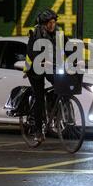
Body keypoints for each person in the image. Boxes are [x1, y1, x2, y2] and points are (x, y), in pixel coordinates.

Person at [23, 9, 69, 142]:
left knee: (60, 85)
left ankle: (52, 109)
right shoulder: (35, 33)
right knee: (39, 96)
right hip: (34, 69)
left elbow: (68, 47)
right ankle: (38, 130)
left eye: (54, 22)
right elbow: (31, 52)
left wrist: (78, 61)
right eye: (49, 23)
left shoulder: (59, 33)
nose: (52, 25)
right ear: (43, 24)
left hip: (50, 66)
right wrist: (41, 60)